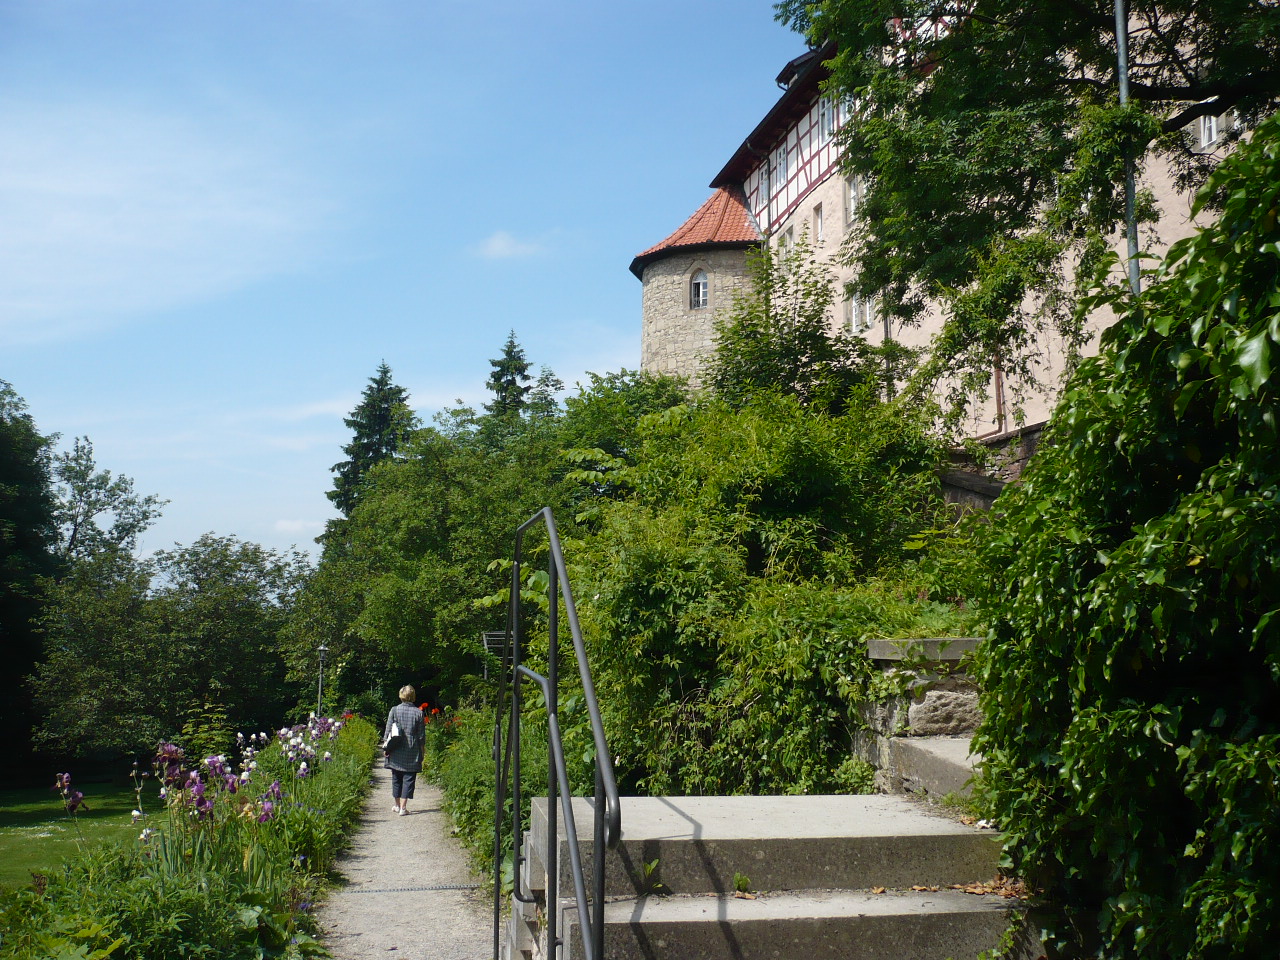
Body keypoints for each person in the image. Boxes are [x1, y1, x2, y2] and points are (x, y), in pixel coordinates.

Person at [383, 685, 426, 816]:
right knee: (409, 778)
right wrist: (422, 752)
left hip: (396, 748)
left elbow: (388, 730)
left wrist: (386, 747)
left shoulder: (394, 710)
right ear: (413, 696)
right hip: (412, 750)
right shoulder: (419, 713)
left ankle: (396, 805)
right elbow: (421, 736)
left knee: (396, 777)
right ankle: (403, 807)